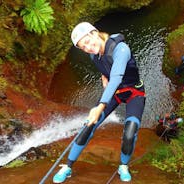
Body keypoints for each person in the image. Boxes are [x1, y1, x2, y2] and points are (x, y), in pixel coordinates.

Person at [53, 22, 146, 183]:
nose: (88, 48)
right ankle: (67, 167)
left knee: (130, 131)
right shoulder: (93, 54)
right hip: (115, 93)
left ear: (95, 33)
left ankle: (123, 166)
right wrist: (104, 76)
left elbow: (117, 78)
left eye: (88, 42)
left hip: (134, 92)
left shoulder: (121, 49)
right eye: (83, 47)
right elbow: (107, 70)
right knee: (88, 125)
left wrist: (100, 106)